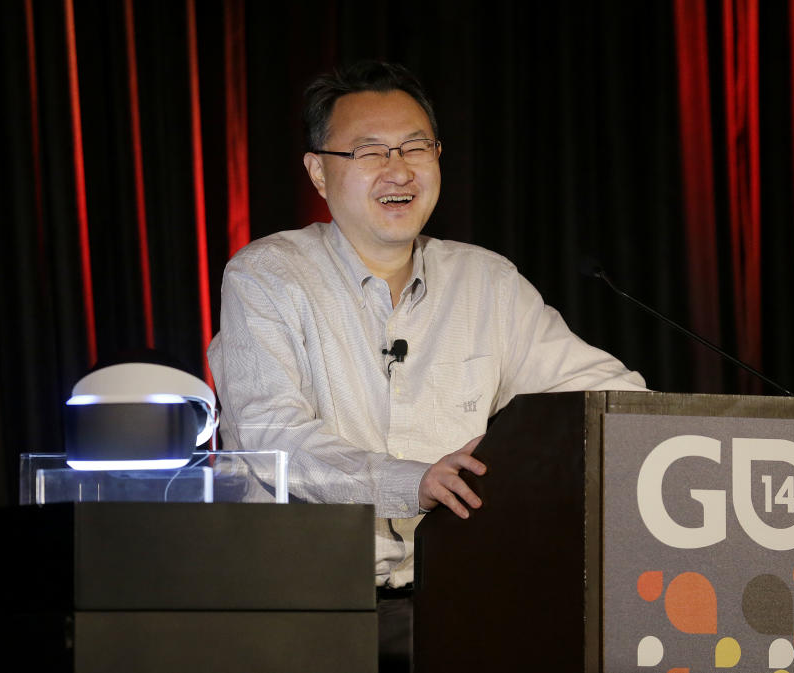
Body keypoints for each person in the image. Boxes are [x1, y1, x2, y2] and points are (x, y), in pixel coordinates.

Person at [207, 60, 647, 672]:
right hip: (304, 608)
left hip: (462, 601)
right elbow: (269, 437)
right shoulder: (269, 276)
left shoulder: (486, 281)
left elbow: (608, 395)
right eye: (370, 152)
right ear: (319, 171)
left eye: (416, 147)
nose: (398, 169)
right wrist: (409, 481)